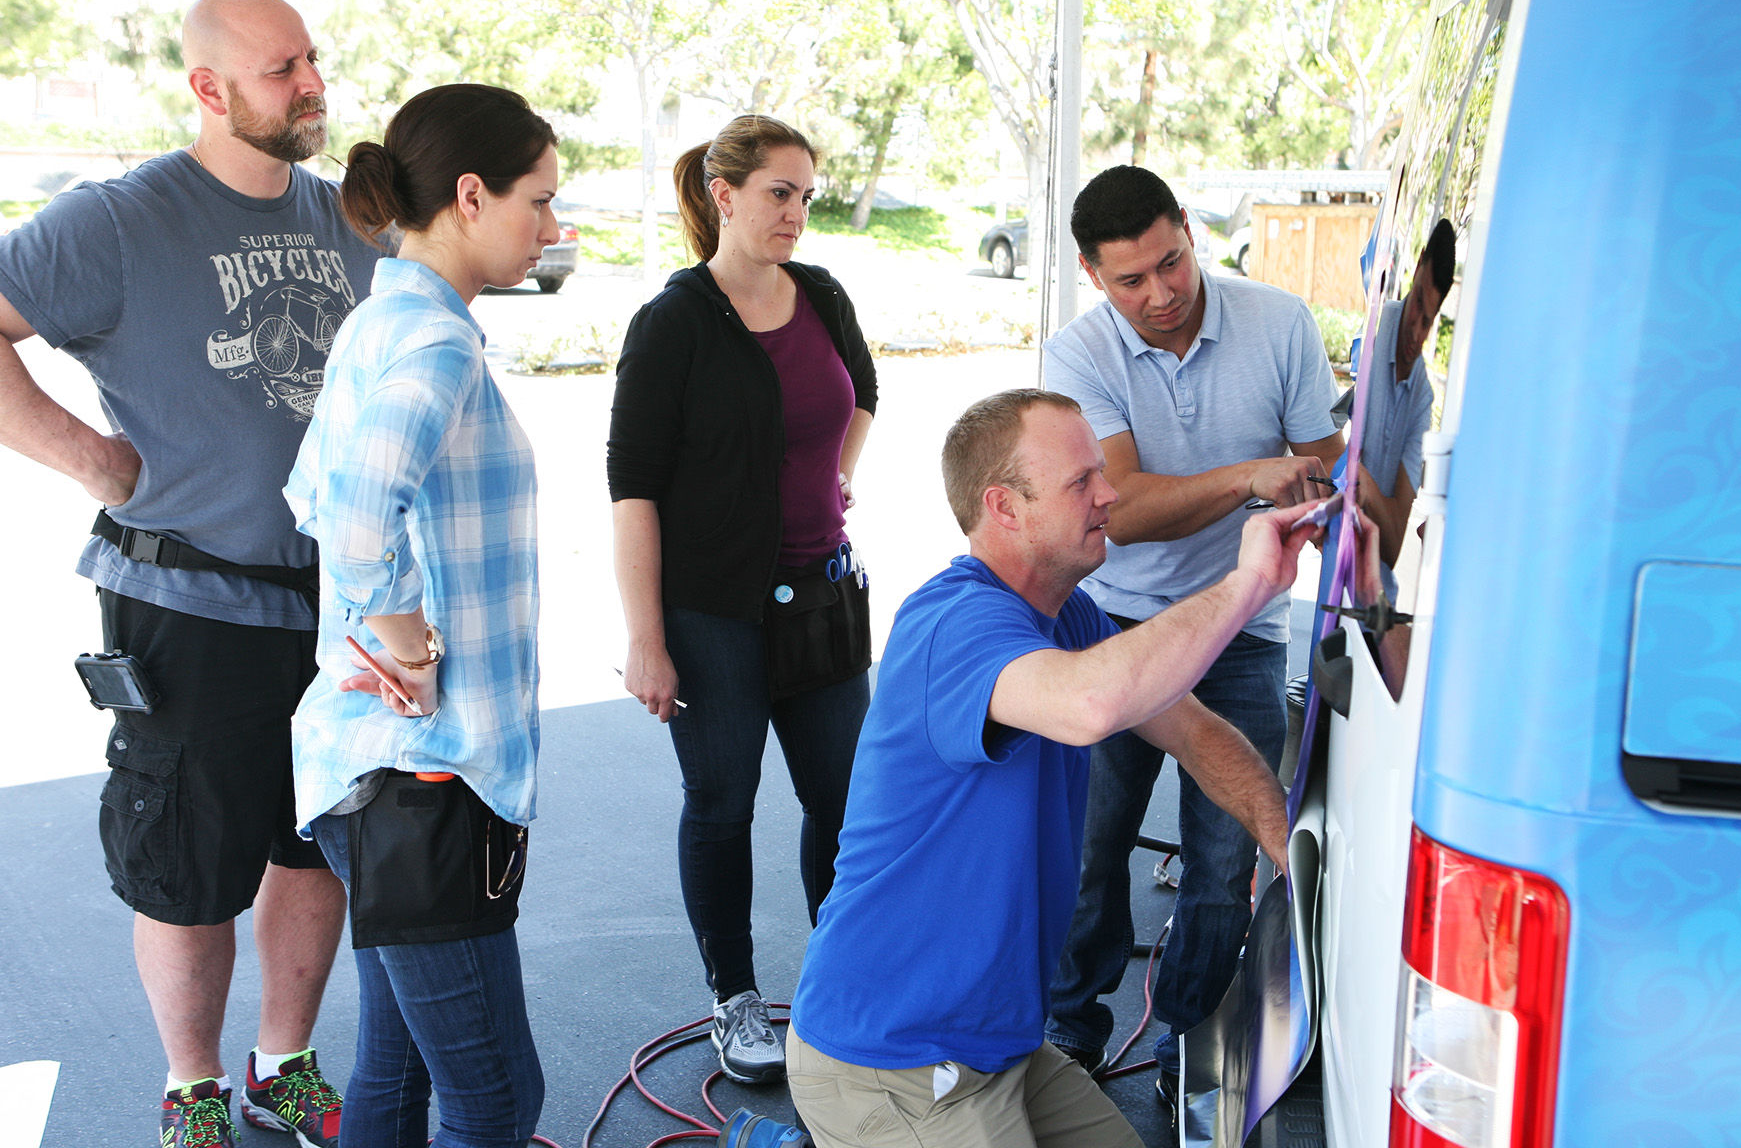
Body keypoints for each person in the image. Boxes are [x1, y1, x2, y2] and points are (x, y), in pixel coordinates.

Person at [0, 0, 384, 1147]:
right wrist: (85, 455)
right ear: (208, 89)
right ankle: (194, 1087)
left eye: (312, 60)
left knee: (316, 839)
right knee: (188, 864)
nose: (310, 83)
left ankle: (286, 1065)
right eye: (281, 70)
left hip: (335, 607)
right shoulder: (117, 221)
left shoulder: (348, 220)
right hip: (188, 602)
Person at [786, 389, 1311, 1148]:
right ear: (1004, 507)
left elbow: (1195, 732)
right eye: (1081, 482)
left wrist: (1281, 842)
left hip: (997, 1045)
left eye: (1101, 472)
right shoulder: (952, 623)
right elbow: (1090, 704)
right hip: (897, 1060)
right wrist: (1247, 584)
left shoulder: (1070, 617)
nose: (1111, 494)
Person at [283, 83, 558, 1147]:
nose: (550, 227)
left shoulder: (385, 320)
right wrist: (400, 633)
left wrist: (383, 624)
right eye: (538, 200)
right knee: (495, 1100)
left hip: (386, 774)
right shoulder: (435, 344)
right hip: (424, 779)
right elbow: (350, 515)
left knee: (393, 1080)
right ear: (473, 195)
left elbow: (310, 491)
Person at [1039, 165, 1343, 1096]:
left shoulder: (1280, 322)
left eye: (1172, 262)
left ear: (1187, 230)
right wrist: (1253, 477)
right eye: (1132, 281)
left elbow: (1320, 470)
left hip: (1243, 629)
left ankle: (1184, 1046)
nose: (1162, 294)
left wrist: (1308, 485)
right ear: (1095, 276)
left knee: (1220, 870)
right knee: (1090, 854)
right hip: (1113, 627)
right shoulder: (1076, 356)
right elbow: (1120, 510)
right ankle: (1070, 1035)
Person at [607, 113, 878, 1084]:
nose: (797, 213)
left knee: (846, 804)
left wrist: (830, 480)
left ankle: (842, 986)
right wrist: (647, 639)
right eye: (779, 193)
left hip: (825, 603)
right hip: (710, 615)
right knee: (722, 803)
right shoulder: (674, 323)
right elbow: (631, 490)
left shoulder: (822, 297)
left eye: (807, 195)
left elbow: (863, 397)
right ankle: (734, 1000)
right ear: (724, 195)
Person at [1353, 218, 1455, 593]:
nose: (1415, 334)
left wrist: (1363, 482)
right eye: (1416, 306)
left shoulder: (1422, 396)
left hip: (1374, 589)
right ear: (1415, 272)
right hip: (1343, 565)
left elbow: (1393, 544)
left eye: (1427, 322)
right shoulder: (1373, 329)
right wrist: (1382, 501)